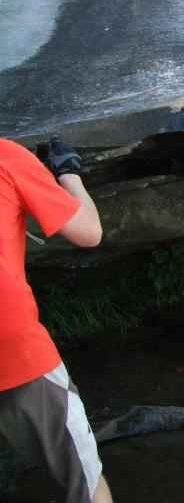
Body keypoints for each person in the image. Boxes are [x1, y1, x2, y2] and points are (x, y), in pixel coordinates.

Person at [0, 136, 113, 502]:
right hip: (12, 347)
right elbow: (89, 232)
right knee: (86, 481)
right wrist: (68, 172)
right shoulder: (7, 155)